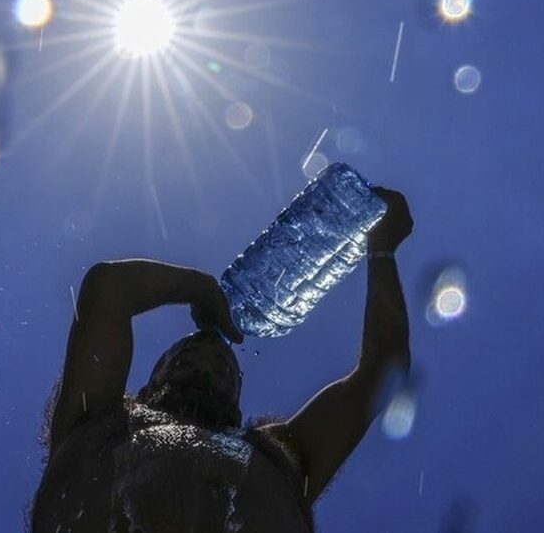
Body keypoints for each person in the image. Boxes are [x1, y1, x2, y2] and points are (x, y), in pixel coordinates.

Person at [29, 187, 413, 532]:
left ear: (238, 404)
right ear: (145, 388)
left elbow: (382, 369)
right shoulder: (95, 417)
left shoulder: (282, 453)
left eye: (222, 367)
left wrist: (382, 250)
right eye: (185, 357)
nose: (205, 362)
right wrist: (200, 289)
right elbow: (109, 287)